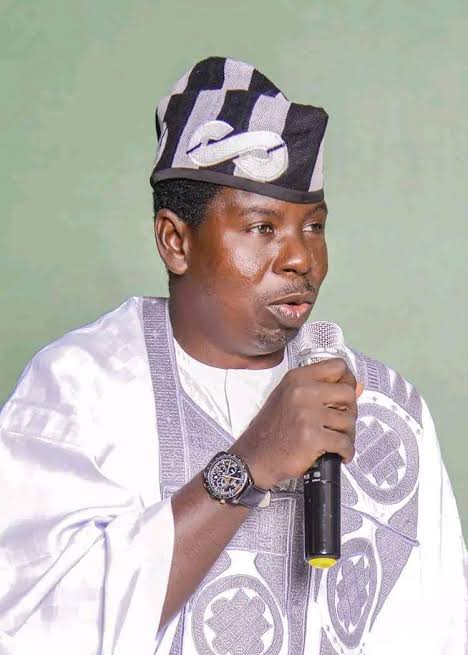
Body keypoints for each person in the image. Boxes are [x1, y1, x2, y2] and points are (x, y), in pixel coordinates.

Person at [0, 56, 466, 655]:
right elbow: (32, 626)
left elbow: (440, 627)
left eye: (314, 227)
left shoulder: (383, 410)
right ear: (175, 240)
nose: (301, 259)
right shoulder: (81, 390)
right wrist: (248, 465)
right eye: (262, 228)